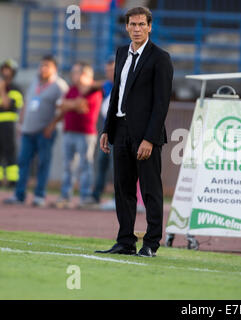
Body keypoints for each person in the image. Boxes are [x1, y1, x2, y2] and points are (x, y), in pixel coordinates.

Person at [95, 7, 173, 257]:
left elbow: (161, 103)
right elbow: (116, 93)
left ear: (150, 26)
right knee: (123, 188)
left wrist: (149, 138)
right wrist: (107, 128)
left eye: (142, 24)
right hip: (120, 130)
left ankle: (151, 243)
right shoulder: (120, 53)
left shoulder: (160, 57)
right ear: (127, 27)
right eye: (133, 24)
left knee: (150, 190)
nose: (137, 29)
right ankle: (126, 241)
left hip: (146, 134)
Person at [3, 55, 68, 206]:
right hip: (28, 130)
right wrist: (21, 123)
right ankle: (19, 195)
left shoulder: (59, 85)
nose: (43, 68)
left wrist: (51, 126)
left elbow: (63, 109)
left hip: (44, 131)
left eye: (47, 66)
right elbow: (27, 103)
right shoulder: (35, 82)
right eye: (41, 65)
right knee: (23, 163)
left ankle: (39, 195)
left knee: (43, 164)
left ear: (54, 69)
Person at [47, 62, 102, 209]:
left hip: (85, 134)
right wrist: (72, 104)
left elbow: (82, 106)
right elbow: (61, 105)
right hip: (69, 131)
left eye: (76, 72)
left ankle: (85, 197)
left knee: (85, 165)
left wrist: (68, 104)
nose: (73, 75)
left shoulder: (92, 90)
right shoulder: (72, 89)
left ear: (84, 75)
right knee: (68, 166)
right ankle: (65, 196)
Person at [91, 58, 115, 205]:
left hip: (118, 132)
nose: (109, 73)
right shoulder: (106, 85)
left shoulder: (123, 84)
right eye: (107, 71)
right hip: (106, 131)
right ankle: (96, 195)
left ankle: (116, 197)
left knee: (115, 167)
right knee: (101, 163)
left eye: (111, 70)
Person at [0, 59, 23, 188]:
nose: (5, 72)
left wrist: (3, 88)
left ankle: (12, 180)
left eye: (8, 69)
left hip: (9, 125)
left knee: (10, 152)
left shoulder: (15, 88)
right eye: (4, 69)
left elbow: (8, 104)